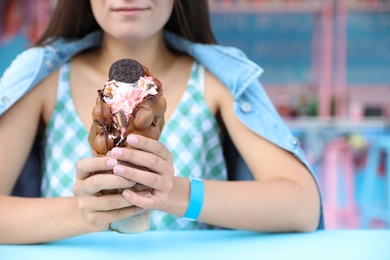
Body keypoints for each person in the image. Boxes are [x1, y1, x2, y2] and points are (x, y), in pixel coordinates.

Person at [0, 0, 323, 244]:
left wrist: (171, 193)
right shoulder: (43, 80)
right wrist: (87, 212)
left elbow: (302, 206)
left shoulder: (217, 80)